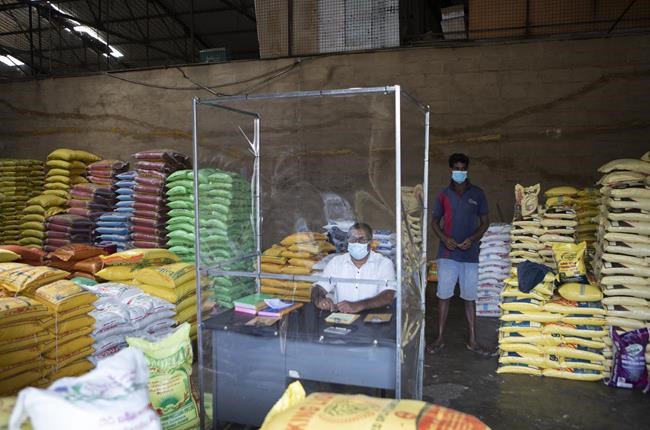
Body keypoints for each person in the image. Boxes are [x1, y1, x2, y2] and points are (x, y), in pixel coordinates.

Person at [427, 153, 491, 356]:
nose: (460, 172)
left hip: (470, 254)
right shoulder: (443, 195)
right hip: (447, 253)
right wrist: (445, 238)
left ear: (467, 170)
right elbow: (434, 222)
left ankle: (473, 340)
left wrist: (472, 239)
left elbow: (485, 222)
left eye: (463, 169)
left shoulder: (478, 194)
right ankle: (439, 338)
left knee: (469, 297)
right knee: (443, 296)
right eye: (456, 168)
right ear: (450, 170)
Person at [312, 222, 395, 313]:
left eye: (362, 239)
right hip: (343, 318)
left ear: (370, 243)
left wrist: (358, 305)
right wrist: (320, 300)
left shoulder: (384, 264)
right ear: (348, 241)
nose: (357, 243)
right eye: (353, 239)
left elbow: (388, 296)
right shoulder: (336, 263)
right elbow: (319, 288)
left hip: (374, 320)